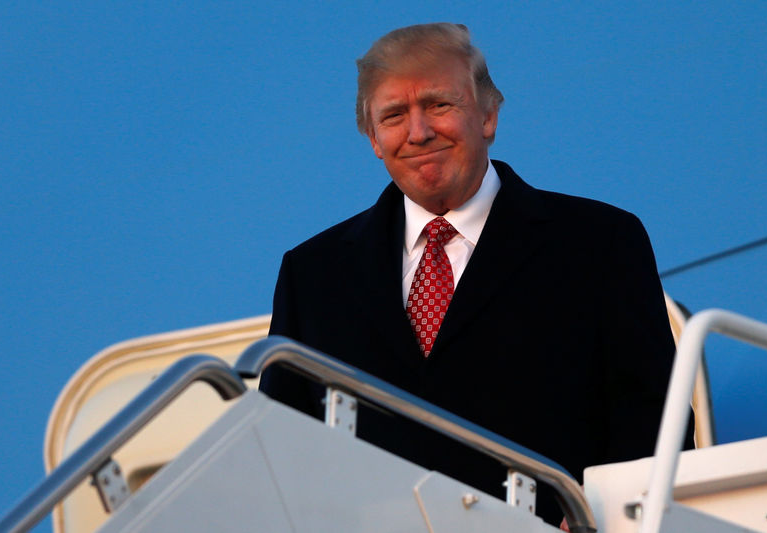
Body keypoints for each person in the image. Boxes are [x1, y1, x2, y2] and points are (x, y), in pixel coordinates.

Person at [260, 22, 690, 525]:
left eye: (439, 105)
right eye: (394, 115)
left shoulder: (598, 241)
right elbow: (280, 443)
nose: (418, 132)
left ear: (488, 114)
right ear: (374, 139)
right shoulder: (313, 273)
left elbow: (654, 419)